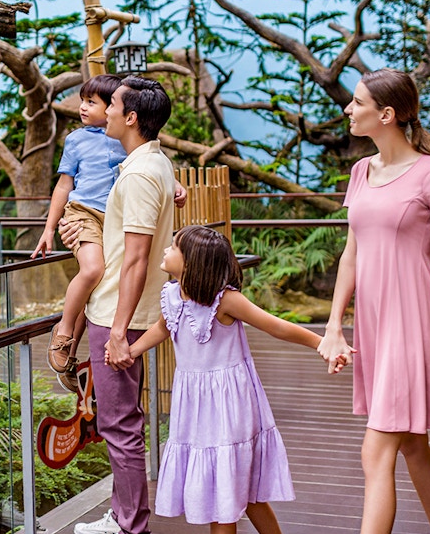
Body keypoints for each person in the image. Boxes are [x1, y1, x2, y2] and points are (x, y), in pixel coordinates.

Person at [317, 68, 430, 534]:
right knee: (412, 443)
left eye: (357, 103)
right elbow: (351, 253)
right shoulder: (360, 171)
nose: (348, 110)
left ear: (386, 114)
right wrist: (334, 326)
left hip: (414, 318)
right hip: (375, 321)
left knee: (376, 449)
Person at [120, 225, 344, 534]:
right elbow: (162, 329)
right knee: (241, 490)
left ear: (192, 263)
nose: (166, 251)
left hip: (229, 405)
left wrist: (321, 343)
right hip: (195, 406)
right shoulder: (172, 295)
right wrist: (131, 351)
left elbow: (274, 326)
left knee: (223, 490)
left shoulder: (224, 300)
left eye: (174, 248)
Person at [68, 76, 175, 534]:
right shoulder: (156, 164)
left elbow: (135, 259)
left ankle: (131, 525)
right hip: (131, 312)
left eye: (112, 105)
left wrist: (116, 331)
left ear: (131, 117)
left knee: (119, 425)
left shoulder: (137, 175)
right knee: (123, 420)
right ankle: (123, 515)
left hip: (119, 314)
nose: (105, 112)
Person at [32, 75, 186, 393]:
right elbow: (64, 185)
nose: (83, 107)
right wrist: (49, 228)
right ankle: (63, 333)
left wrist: (175, 185)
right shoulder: (77, 140)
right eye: (83, 100)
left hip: (113, 218)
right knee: (92, 270)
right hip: (83, 214)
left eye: (95, 102)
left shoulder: (128, 141)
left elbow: (150, 172)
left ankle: (73, 355)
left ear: (123, 115)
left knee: (101, 279)